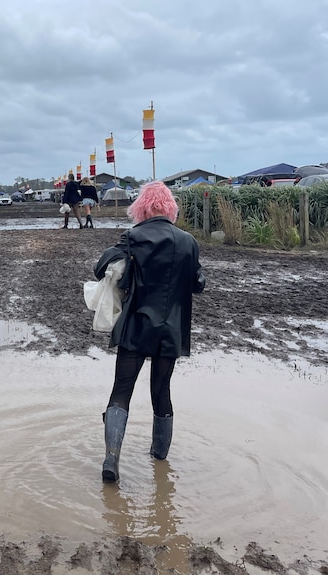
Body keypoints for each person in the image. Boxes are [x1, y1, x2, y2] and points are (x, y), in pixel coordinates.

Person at [93, 181, 206, 483]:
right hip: (171, 330)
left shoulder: (133, 237)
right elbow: (197, 284)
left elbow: (101, 266)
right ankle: (159, 461)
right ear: (170, 208)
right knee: (161, 391)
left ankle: (111, 458)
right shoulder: (188, 242)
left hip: (136, 326)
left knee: (122, 390)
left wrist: (127, 267)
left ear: (141, 207)